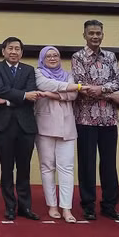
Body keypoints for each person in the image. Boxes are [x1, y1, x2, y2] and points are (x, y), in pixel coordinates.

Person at [71, 19, 119, 221]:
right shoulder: (77, 56)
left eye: (98, 33)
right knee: (87, 163)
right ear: (84, 35)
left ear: (103, 35)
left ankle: (110, 205)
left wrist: (102, 90)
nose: (95, 36)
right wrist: (111, 93)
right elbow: (82, 86)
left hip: (109, 119)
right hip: (85, 119)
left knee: (109, 163)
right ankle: (88, 205)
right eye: (91, 33)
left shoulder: (111, 56)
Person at [0, 37, 40, 221]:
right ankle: (10, 206)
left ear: (22, 52)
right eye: (10, 48)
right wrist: (24, 95)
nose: (14, 52)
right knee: (7, 168)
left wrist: (13, 99)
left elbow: (33, 93)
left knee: (24, 168)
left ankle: (25, 207)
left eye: (17, 49)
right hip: (4, 125)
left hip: (26, 126)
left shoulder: (29, 70)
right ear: (3, 51)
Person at [34, 46, 80, 223]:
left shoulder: (68, 74)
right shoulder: (38, 73)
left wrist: (54, 95)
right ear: (42, 58)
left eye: (56, 55)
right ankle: (52, 205)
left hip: (67, 126)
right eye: (49, 56)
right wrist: (68, 89)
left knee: (66, 167)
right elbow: (45, 85)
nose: (52, 58)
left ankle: (66, 208)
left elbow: (74, 95)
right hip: (45, 125)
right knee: (47, 167)